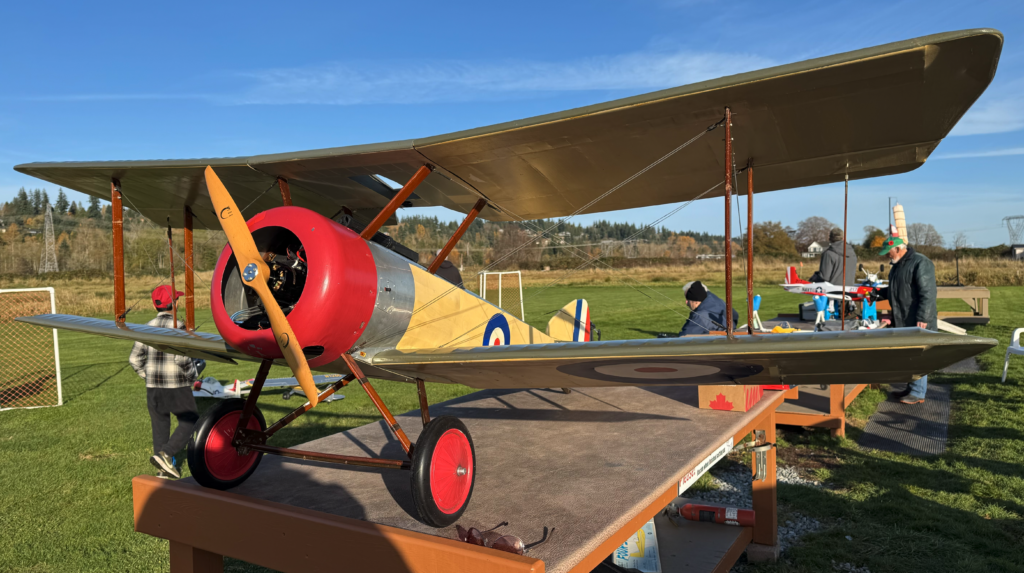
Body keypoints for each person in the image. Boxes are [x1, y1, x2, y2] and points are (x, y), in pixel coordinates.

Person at [129, 286, 203, 478]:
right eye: (177, 299)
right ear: (175, 303)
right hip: (176, 385)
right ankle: (167, 453)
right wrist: (193, 374)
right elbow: (181, 359)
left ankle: (163, 469)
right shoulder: (179, 327)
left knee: (160, 427)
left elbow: (134, 359)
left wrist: (147, 375)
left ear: (156, 305)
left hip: (153, 387)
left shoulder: (146, 327)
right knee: (190, 421)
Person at [875, 236, 937, 404]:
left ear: (898, 249)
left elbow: (928, 293)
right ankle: (912, 388)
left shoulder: (921, 263)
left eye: (888, 252)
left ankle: (918, 392)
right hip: (903, 317)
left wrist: (922, 317)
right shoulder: (897, 266)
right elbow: (896, 290)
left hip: (917, 318)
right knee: (910, 354)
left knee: (918, 355)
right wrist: (877, 293)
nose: (887, 255)